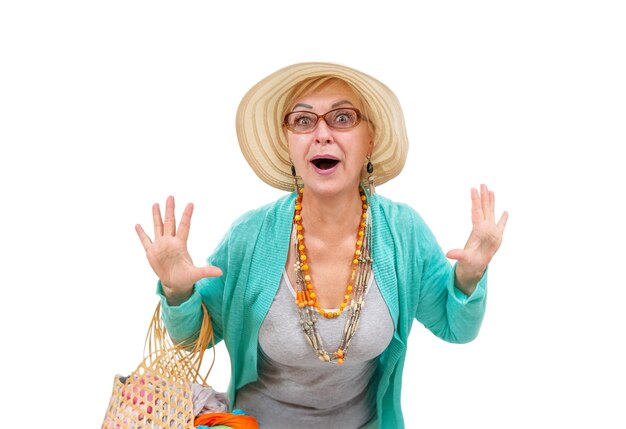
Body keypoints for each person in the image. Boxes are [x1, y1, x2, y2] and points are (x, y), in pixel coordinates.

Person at [135, 62, 508, 429]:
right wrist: (177, 290)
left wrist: (469, 278)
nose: (322, 134)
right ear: (289, 144)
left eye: (342, 118)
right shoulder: (250, 237)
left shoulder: (403, 233)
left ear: (370, 140)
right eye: (303, 121)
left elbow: (456, 328)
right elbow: (190, 338)